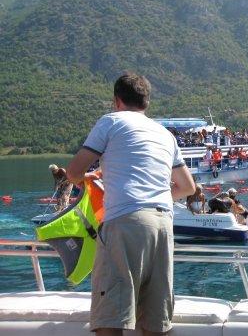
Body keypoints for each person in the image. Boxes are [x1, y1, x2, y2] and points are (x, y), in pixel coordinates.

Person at [65, 72, 196, 336]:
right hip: (162, 224)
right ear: (146, 103)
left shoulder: (110, 122)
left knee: (111, 317)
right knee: (155, 321)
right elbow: (187, 187)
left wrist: (87, 177)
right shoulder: (165, 134)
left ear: (117, 101)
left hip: (125, 221)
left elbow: (73, 172)